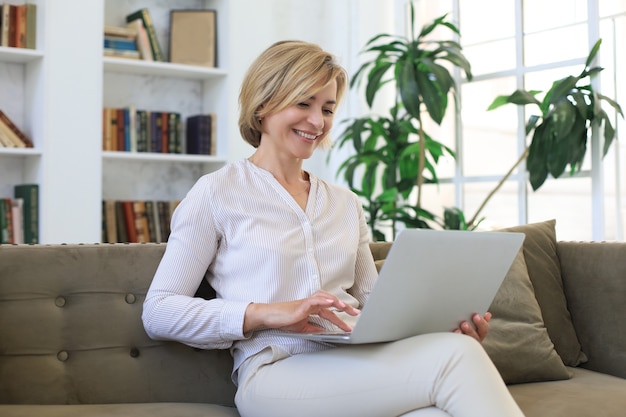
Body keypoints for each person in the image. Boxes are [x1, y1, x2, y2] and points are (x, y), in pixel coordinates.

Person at [142, 40, 525, 417]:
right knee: (456, 359)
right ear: (262, 106)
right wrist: (266, 313)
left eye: (327, 108)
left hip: (356, 368)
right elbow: (159, 311)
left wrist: (441, 330)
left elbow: (377, 305)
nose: (317, 121)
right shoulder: (217, 192)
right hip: (275, 376)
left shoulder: (344, 203)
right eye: (303, 103)